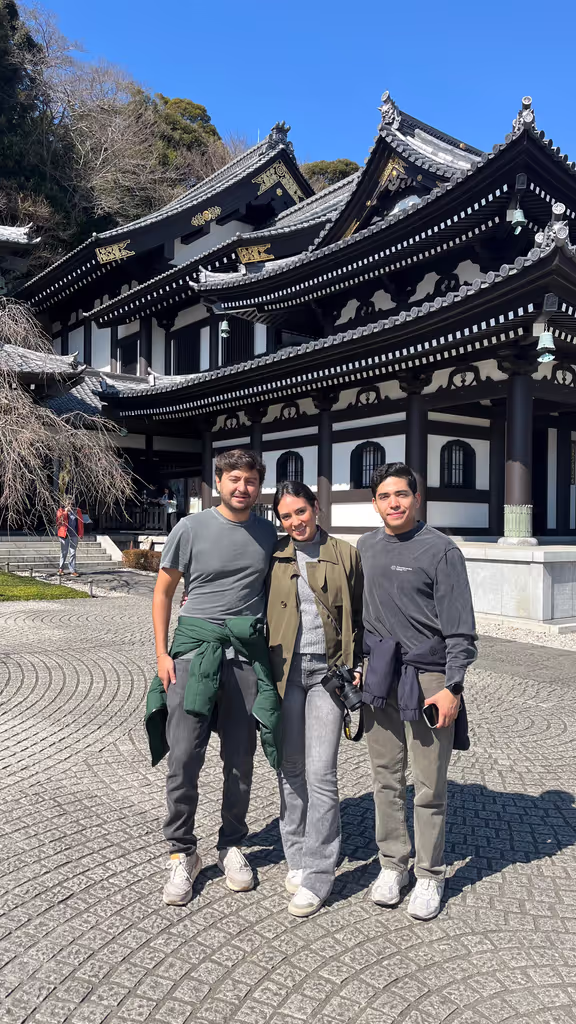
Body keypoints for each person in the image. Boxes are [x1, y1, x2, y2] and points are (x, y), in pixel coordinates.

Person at [147, 449, 280, 907]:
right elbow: (164, 591)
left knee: (241, 757)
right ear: (218, 482)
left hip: (244, 655)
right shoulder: (190, 528)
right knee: (184, 754)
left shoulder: (268, 533)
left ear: (258, 486)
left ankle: (232, 843)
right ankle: (182, 851)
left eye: (250, 481)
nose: (242, 488)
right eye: (234, 479)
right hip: (193, 652)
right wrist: (163, 653)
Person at [357, 462, 476, 921]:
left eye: (402, 494)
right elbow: (354, 617)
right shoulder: (365, 548)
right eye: (385, 496)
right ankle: (393, 865)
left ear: (417, 498)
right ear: (375, 503)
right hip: (380, 677)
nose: (394, 503)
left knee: (429, 784)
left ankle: (430, 874)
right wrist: (356, 669)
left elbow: (461, 630)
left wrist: (452, 687)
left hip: (427, 678)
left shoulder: (441, 551)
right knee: (385, 776)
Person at [267, 481, 363, 918]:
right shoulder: (274, 555)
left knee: (322, 773)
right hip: (286, 674)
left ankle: (320, 874)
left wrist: (358, 665)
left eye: (301, 512)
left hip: (327, 675)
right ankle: (298, 856)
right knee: (290, 768)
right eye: (286, 516)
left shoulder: (344, 553)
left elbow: (362, 613)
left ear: (316, 508)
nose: (295, 522)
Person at [56, 497, 84, 576]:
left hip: (74, 534)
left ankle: (72, 570)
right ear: (65, 504)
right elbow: (58, 521)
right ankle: (61, 568)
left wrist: (81, 533)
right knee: (64, 552)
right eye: (68, 504)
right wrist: (65, 512)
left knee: (73, 552)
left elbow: (80, 523)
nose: (70, 505)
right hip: (64, 534)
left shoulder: (77, 511)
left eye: (72, 504)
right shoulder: (61, 510)